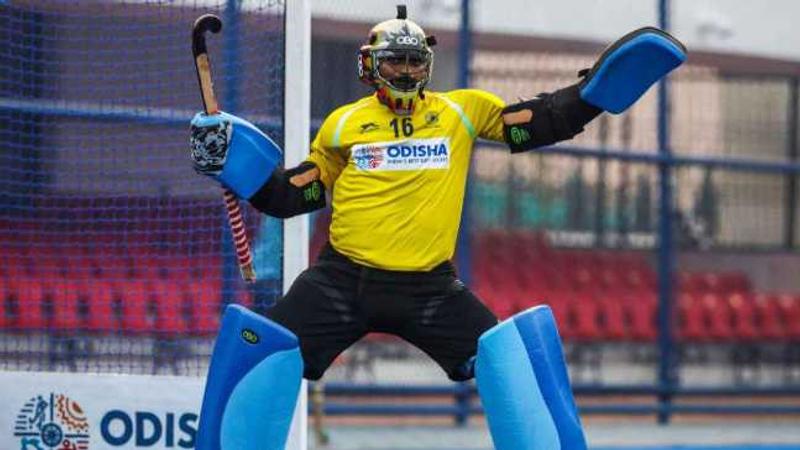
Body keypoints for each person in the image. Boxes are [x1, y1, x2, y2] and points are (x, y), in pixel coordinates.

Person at [188, 6, 685, 450]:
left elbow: (537, 123)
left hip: (430, 289)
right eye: (394, 61)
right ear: (371, 66)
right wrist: (234, 167)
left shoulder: (460, 111)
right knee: (263, 348)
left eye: (413, 61)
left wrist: (591, 97)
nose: (405, 71)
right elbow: (293, 195)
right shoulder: (342, 124)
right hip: (340, 284)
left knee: (511, 361)